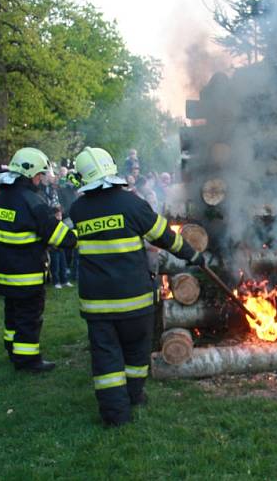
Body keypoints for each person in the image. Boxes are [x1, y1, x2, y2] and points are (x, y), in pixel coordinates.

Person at [69, 147, 205, 427]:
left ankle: (115, 415)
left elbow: (68, 240)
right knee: (135, 353)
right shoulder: (132, 204)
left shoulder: (79, 210)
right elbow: (165, 236)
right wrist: (192, 254)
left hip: (98, 304)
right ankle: (134, 395)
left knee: (106, 359)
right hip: (135, 300)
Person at [0, 148, 77, 372]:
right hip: (26, 273)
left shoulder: (2, 198)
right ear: (29, 173)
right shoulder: (32, 200)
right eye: (39, 174)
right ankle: (28, 360)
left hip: (3, 272)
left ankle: (12, 348)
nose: (40, 179)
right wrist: (75, 238)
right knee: (29, 316)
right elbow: (56, 234)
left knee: (12, 313)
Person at [48, 205, 72, 289]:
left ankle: (65, 281)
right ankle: (56, 282)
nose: (59, 217)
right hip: (53, 249)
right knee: (55, 267)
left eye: (60, 215)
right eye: (57, 215)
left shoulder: (62, 224)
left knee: (63, 265)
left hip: (61, 249)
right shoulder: (50, 225)